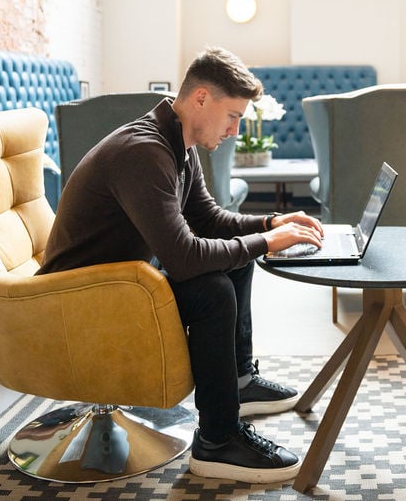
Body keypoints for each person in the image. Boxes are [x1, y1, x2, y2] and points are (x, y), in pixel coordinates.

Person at [38, 46, 324, 484]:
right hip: (79, 298)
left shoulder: (178, 143)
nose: (234, 130)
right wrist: (267, 241)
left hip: (120, 282)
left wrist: (270, 222)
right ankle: (217, 440)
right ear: (202, 99)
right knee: (212, 289)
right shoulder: (143, 152)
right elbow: (185, 258)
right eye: (232, 116)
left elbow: (209, 219)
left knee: (236, 259)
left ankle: (239, 382)